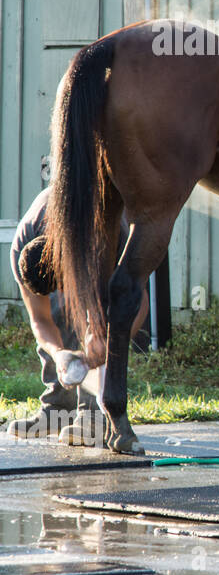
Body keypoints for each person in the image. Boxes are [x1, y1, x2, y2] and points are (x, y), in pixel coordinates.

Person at [6, 188, 147, 446]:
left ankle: (93, 416)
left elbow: (138, 303)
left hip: (100, 234)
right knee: (59, 315)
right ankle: (58, 411)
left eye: (62, 286)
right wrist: (58, 353)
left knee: (98, 322)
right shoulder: (22, 248)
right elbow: (40, 319)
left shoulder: (104, 235)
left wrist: (107, 348)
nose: (63, 294)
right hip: (67, 238)